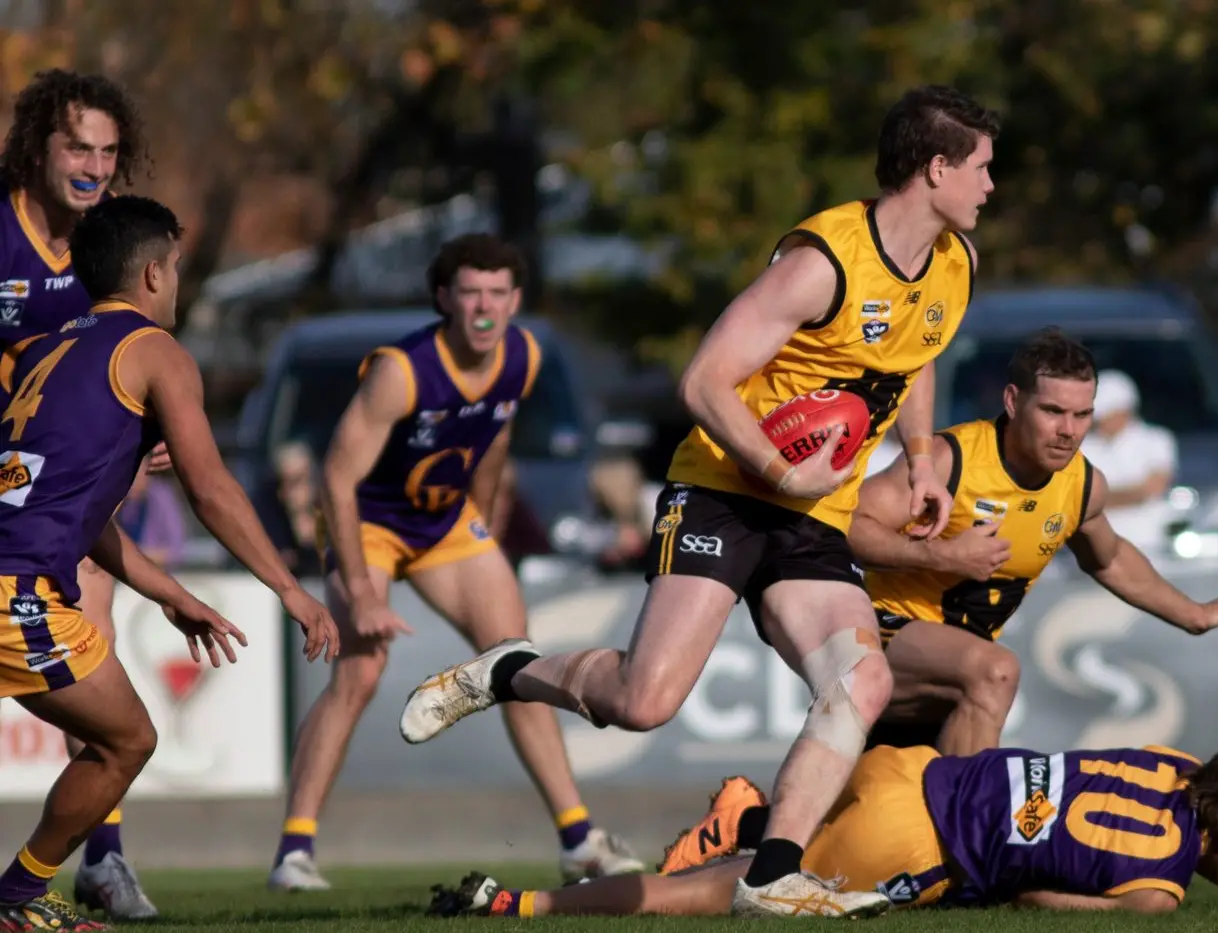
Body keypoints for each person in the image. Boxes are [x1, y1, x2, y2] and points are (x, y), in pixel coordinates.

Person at [399, 84, 998, 918]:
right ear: (936, 168)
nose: (990, 186)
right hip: (723, 488)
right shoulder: (822, 261)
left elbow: (916, 351)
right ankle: (505, 670)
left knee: (862, 682)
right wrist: (781, 471)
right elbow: (703, 380)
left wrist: (923, 458)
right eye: (981, 167)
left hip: (814, 513)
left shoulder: (955, 263)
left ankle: (771, 875)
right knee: (642, 700)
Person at [657, 329, 1218, 877]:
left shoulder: (1082, 484)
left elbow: (1110, 558)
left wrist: (1194, 614)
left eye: (1083, 414)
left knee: (860, 822)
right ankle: (973, 857)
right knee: (993, 672)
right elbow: (850, 525)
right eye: (1053, 411)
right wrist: (943, 556)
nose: (1069, 430)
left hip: (940, 675)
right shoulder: (955, 460)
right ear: (1013, 402)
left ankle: (740, 825)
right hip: (879, 633)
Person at [0, 193, 337, 931]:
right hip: (15, 592)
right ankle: (17, 898)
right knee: (127, 740)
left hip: (17, 577)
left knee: (119, 735)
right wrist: (290, 589)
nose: (179, 281)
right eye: (178, 266)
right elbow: (209, 487)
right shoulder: (155, 352)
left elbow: (81, 518)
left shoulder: (49, 351)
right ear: (153, 274)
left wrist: (170, 593)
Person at [268, 234, 643, 892]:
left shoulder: (524, 355)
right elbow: (336, 478)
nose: (484, 306)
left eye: (498, 293)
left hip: (444, 522)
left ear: (515, 300)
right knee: (359, 672)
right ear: (444, 298)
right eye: (470, 292)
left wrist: (485, 522)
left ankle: (579, 841)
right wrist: (361, 591)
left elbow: (493, 437)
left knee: (517, 662)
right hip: (369, 523)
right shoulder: (403, 370)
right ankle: (294, 853)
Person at [428, 731, 1218, 919]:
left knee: (767, 850)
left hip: (908, 766)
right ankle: (520, 906)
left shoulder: (1170, 760)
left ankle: (750, 814)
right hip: (911, 848)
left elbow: (1200, 835)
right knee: (720, 895)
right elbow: (1041, 899)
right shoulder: (1158, 892)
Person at [0, 67, 176, 919]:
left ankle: (99, 859)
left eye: (108, 152)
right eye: (79, 147)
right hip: (14, 495)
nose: (95, 167)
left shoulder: (110, 250)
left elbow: (124, 367)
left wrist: (147, 433)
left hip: (59, 506)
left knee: (90, 656)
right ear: (37, 147)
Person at [1077, 369, 1179, 554]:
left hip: (1149, 545)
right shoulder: (1082, 446)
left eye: (1105, 414)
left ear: (1123, 411)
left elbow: (1152, 488)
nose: (1099, 421)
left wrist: (1098, 500)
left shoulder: (1156, 440)